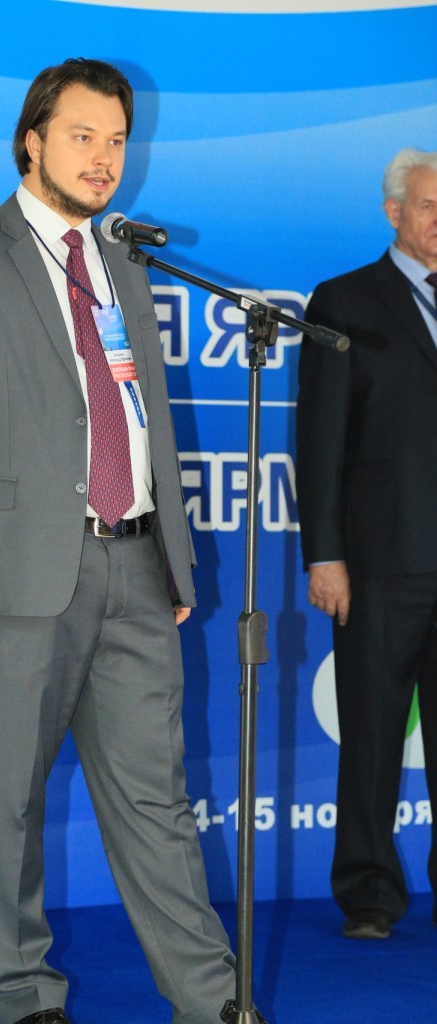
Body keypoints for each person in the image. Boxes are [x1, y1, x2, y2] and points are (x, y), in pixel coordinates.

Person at [0, 59, 241, 1024]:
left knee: (156, 802)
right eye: (82, 136)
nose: (103, 158)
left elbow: (146, 415)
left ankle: (212, 1000)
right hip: (16, 570)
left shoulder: (124, 261)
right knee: (4, 798)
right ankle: (25, 995)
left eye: (117, 140)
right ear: (33, 141)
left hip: (135, 563)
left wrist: (173, 553)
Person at [296, 148, 437, 941]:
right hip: (381, 562)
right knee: (374, 735)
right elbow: (319, 440)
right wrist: (325, 554)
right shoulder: (344, 301)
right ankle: (369, 892)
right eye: (429, 205)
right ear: (394, 212)